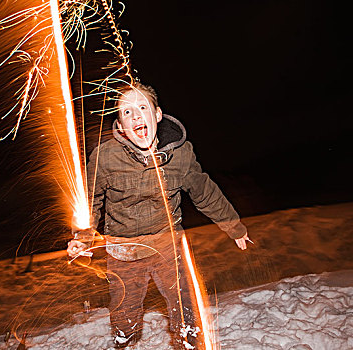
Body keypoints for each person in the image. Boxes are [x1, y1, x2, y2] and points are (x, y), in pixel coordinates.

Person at [67, 82, 250, 349]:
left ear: (157, 115)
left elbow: (204, 192)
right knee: (124, 317)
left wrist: (235, 228)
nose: (137, 116)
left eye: (142, 108)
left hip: (169, 247)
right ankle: (124, 340)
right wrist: (82, 238)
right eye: (127, 112)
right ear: (120, 126)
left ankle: (190, 342)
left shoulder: (181, 154)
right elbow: (91, 200)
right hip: (123, 253)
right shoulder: (105, 158)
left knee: (186, 307)